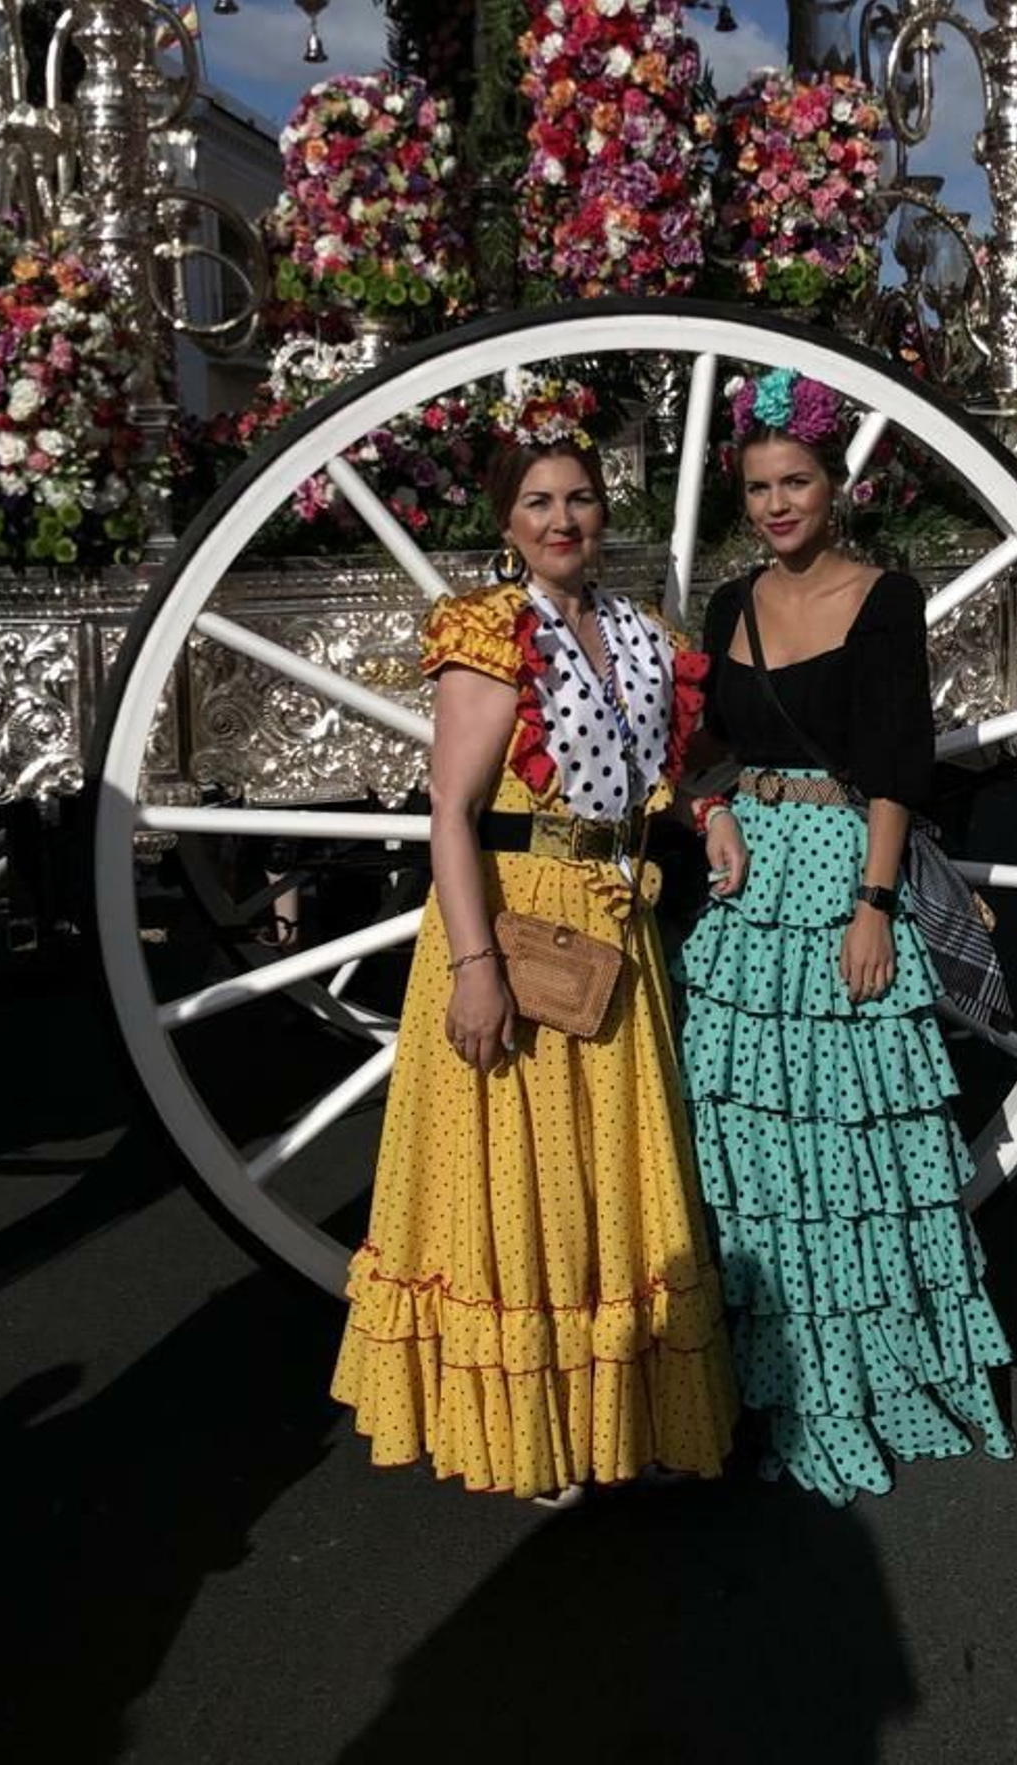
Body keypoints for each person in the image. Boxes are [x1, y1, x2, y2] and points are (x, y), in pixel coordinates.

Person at [332, 395, 737, 1500]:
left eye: (580, 499)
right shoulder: (485, 631)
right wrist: (476, 968)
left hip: (614, 919)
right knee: (530, 1187)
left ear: (605, 512)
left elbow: (668, 768)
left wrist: (712, 810)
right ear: (507, 524)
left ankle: (612, 1416)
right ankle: (533, 1436)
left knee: (610, 1179)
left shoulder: (645, 634)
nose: (563, 519)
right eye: (538, 503)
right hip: (513, 920)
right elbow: (453, 816)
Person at [673, 369, 1013, 1505]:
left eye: (796, 483)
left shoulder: (884, 597)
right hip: (750, 881)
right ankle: (758, 1368)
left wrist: (875, 909)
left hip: (837, 881)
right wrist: (711, 810)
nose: (777, 505)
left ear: (834, 488)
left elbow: (897, 767)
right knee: (756, 1139)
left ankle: (860, 1369)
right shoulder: (728, 607)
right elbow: (699, 750)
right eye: (761, 488)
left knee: (851, 1139)